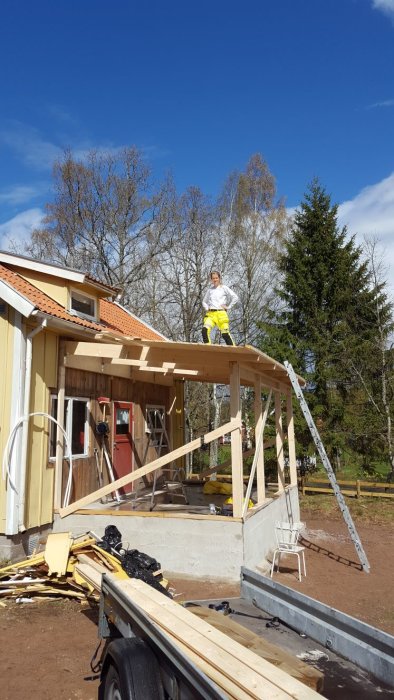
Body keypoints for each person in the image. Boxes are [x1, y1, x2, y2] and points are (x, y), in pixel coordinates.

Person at [201, 271, 239, 345]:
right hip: (211, 314)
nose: (215, 280)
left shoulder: (224, 288)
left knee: (225, 334)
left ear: (219, 278)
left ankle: (233, 351)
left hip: (221, 313)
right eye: (213, 278)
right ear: (211, 280)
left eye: (216, 278)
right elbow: (204, 301)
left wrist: (228, 307)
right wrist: (207, 308)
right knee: (204, 330)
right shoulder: (210, 290)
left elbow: (235, 297)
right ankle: (208, 349)